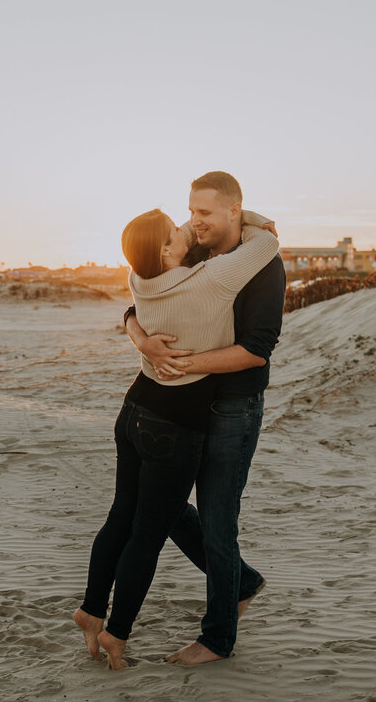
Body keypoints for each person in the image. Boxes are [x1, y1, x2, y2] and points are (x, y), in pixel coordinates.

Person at [74, 201, 279, 670]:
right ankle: (116, 635)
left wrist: (141, 338)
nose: (189, 226)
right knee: (148, 533)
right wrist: (251, 217)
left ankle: (90, 610)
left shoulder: (139, 277)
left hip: (134, 410)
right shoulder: (209, 278)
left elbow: (166, 254)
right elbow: (267, 243)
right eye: (178, 227)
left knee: (121, 515)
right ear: (168, 251)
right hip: (175, 425)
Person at [125, 171, 286, 664]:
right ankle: (243, 580)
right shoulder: (194, 254)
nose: (194, 222)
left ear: (234, 211)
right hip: (185, 407)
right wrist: (143, 339)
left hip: (234, 406)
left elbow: (256, 350)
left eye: (205, 213)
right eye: (191, 211)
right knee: (167, 505)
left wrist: (182, 363)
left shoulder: (263, 269)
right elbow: (142, 302)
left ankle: (218, 637)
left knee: (218, 519)